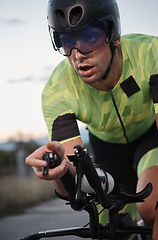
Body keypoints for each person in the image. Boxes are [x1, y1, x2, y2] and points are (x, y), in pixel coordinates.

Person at [26, 0, 158, 239]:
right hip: (106, 149)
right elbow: (72, 186)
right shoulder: (58, 89)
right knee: (108, 230)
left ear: (113, 35)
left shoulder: (151, 53)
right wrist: (60, 172)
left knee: (151, 208)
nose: (77, 56)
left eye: (89, 38)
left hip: (151, 136)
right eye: (66, 41)